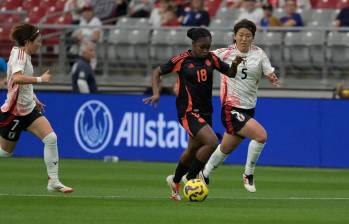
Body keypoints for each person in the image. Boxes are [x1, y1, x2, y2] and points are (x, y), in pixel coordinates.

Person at [143, 27, 243, 200]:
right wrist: (156, 93)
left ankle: (174, 181)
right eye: (202, 47)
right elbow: (157, 72)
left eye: (208, 47)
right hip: (188, 111)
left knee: (192, 149)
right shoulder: (182, 60)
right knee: (212, 142)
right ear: (193, 44)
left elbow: (230, 73)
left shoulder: (212, 58)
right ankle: (190, 179)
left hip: (206, 111)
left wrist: (234, 65)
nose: (205, 50)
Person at [200, 19, 280, 193]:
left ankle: (204, 172)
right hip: (231, 107)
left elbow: (268, 71)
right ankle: (248, 174)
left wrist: (272, 77)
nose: (244, 39)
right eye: (241, 35)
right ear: (234, 36)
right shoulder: (224, 53)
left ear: (253, 38)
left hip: (248, 108)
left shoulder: (259, 54)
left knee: (226, 148)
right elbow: (201, 57)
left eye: (248, 36)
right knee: (261, 136)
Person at [0, 23, 74, 193]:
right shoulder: (19, 55)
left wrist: (34, 98)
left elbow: (20, 83)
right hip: (14, 112)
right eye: (38, 41)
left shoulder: (24, 54)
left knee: (51, 138)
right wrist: (41, 79)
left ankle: (53, 181)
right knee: (5, 153)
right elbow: (17, 79)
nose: (40, 44)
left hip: (29, 109)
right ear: (27, 42)